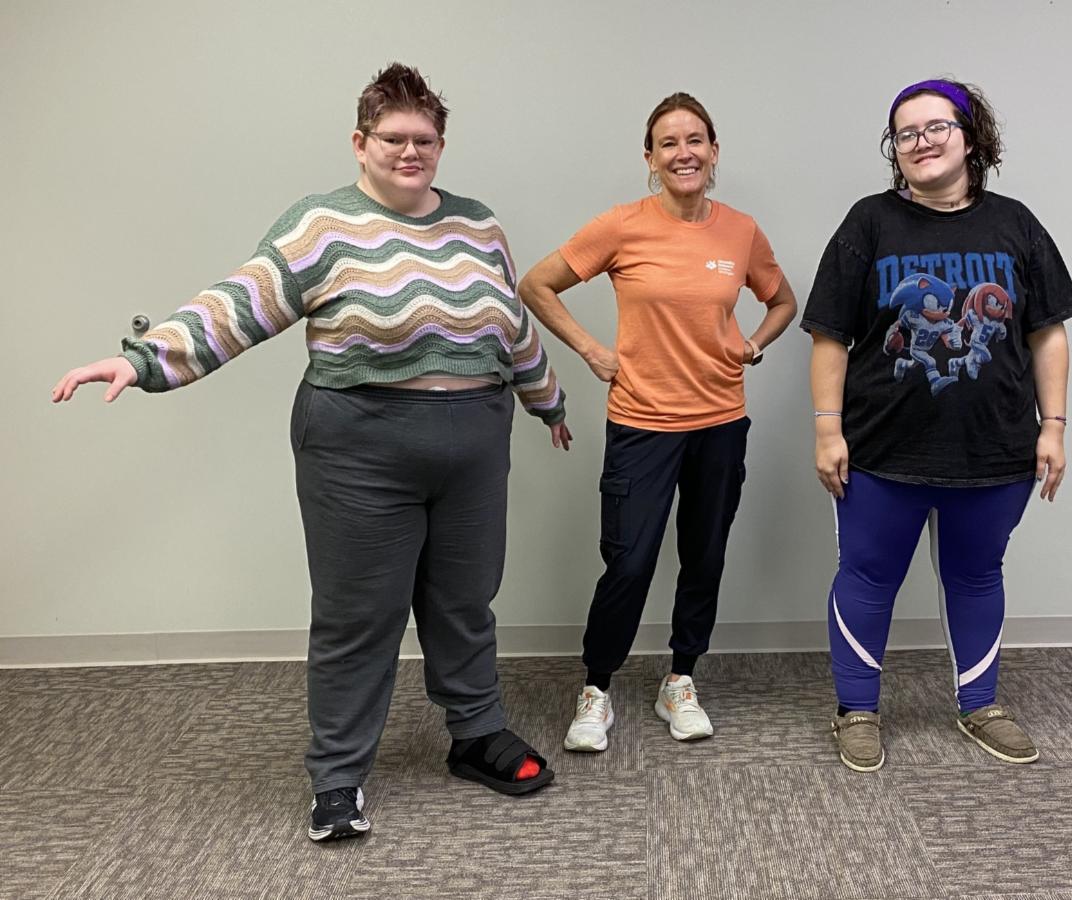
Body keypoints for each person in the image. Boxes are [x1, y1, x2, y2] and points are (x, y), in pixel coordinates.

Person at [52, 63, 569, 840]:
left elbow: (507, 323)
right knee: (359, 616)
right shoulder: (321, 225)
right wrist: (147, 358)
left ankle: (476, 735)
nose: (409, 151)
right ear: (359, 143)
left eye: (424, 139)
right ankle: (337, 775)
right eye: (392, 138)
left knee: (465, 603)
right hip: (360, 448)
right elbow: (241, 301)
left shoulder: (479, 225)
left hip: (473, 443)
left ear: (441, 144)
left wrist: (546, 398)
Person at [800, 78, 1072, 772]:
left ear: (970, 136)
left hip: (995, 452)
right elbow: (830, 336)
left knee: (978, 576)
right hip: (880, 453)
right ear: (894, 151)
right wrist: (827, 431)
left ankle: (980, 702)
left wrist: (1055, 426)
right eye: (906, 133)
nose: (921, 142)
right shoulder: (869, 222)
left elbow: (1047, 334)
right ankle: (857, 709)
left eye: (935, 127)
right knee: (866, 578)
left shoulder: (1015, 224)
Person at [518, 92, 797, 752]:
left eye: (695, 139)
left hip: (720, 421)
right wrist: (591, 350)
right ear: (650, 158)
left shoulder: (741, 231)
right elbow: (536, 284)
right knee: (630, 560)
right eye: (668, 143)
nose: (684, 153)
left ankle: (680, 680)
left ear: (714, 152)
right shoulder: (623, 226)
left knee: (704, 555)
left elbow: (782, 301)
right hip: (642, 422)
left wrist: (752, 344)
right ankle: (597, 690)